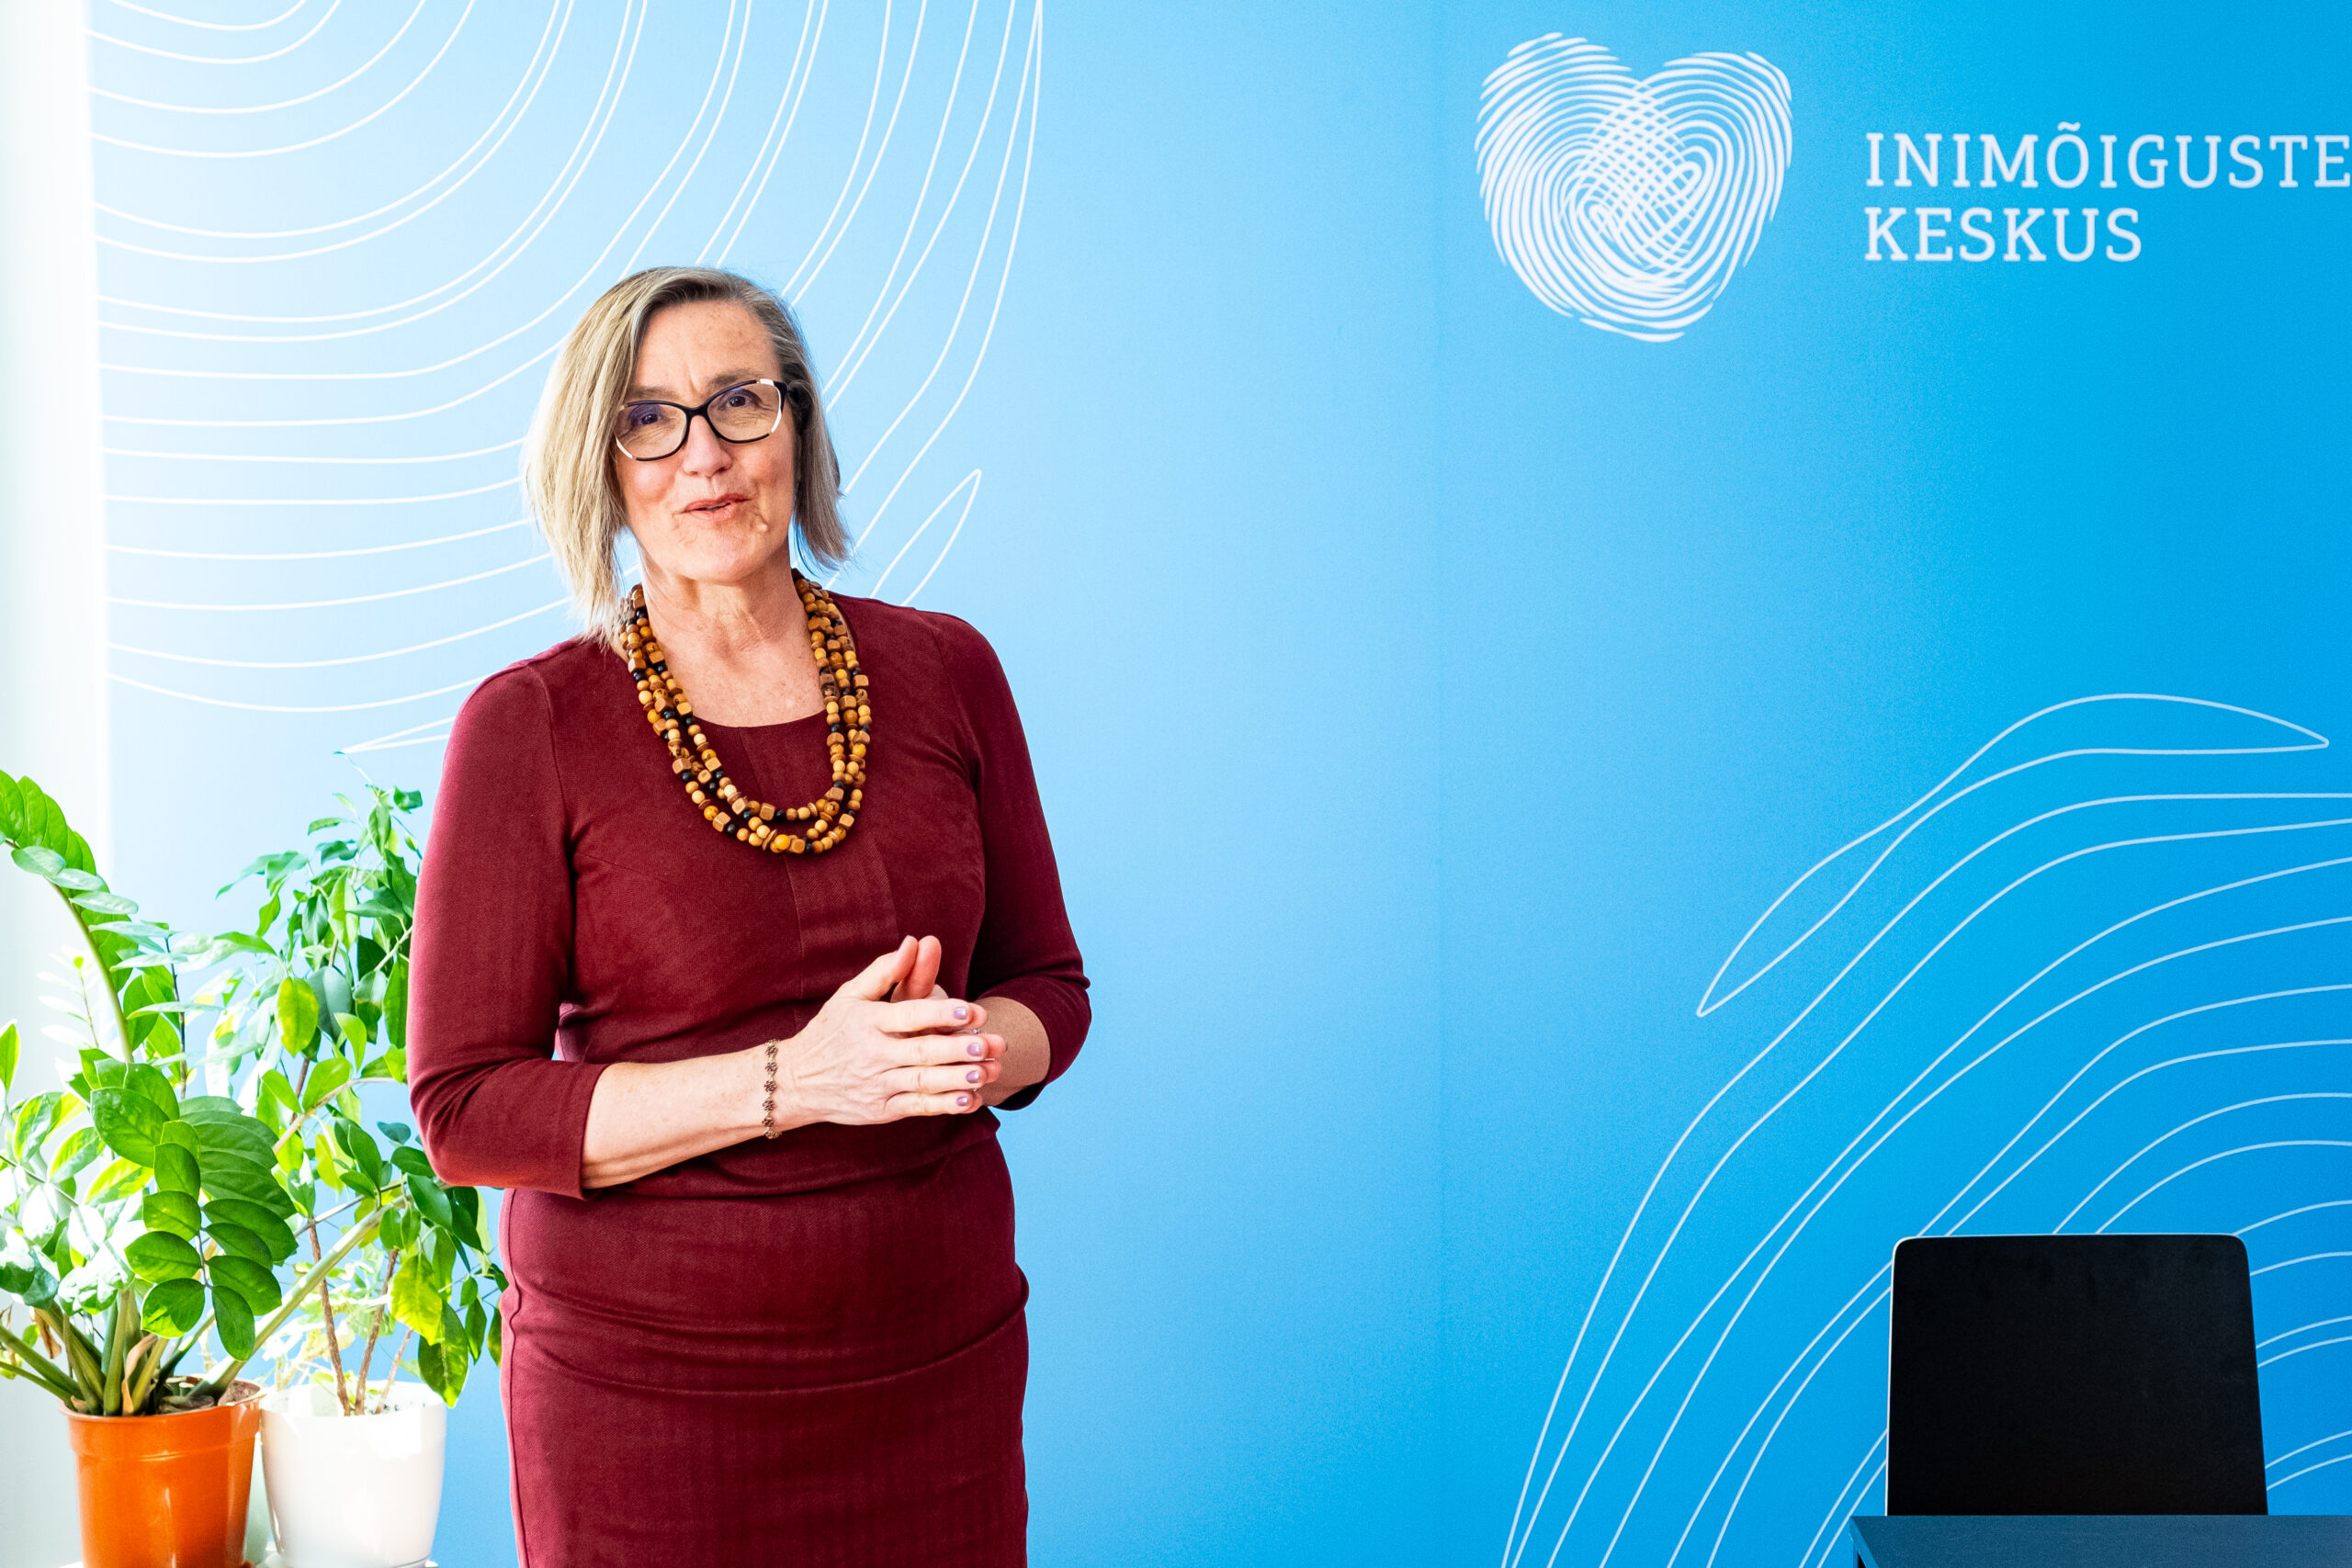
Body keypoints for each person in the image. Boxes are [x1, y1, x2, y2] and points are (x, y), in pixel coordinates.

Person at [407, 265, 1089, 1566]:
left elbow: (1050, 986)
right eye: (647, 419)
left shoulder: (949, 669)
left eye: (739, 402)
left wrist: (956, 1052)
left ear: (799, 427)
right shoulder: (530, 725)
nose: (704, 455)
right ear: (599, 465)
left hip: (934, 1379)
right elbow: (467, 1108)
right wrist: (802, 1079)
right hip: (649, 1410)